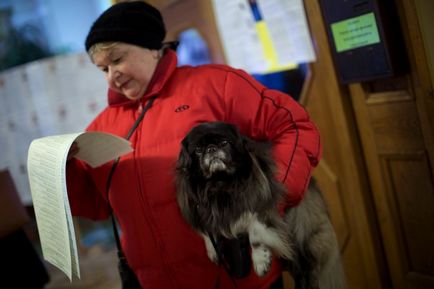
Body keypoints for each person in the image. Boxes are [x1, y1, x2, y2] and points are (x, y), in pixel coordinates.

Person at [66, 1, 322, 288]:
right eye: (103, 69)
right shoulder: (102, 126)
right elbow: (97, 205)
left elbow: (294, 126)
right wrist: (66, 170)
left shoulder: (215, 85)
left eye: (117, 59)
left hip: (236, 276)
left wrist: (274, 195)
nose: (112, 76)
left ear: (152, 47)